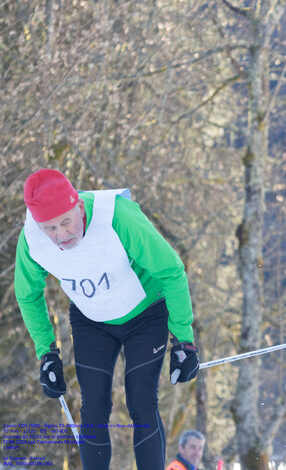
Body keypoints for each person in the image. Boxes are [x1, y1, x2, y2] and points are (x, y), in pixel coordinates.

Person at [14, 169, 200, 469]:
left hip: (146, 312)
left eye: (66, 221)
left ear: (78, 205)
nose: (61, 235)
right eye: (50, 228)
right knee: (93, 408)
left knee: (141, 401)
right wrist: (47, 353)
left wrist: (183, 340)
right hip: (91, 320)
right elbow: (27, 294)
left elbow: (172, 270)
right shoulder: (32, 240)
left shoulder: (118, 217)